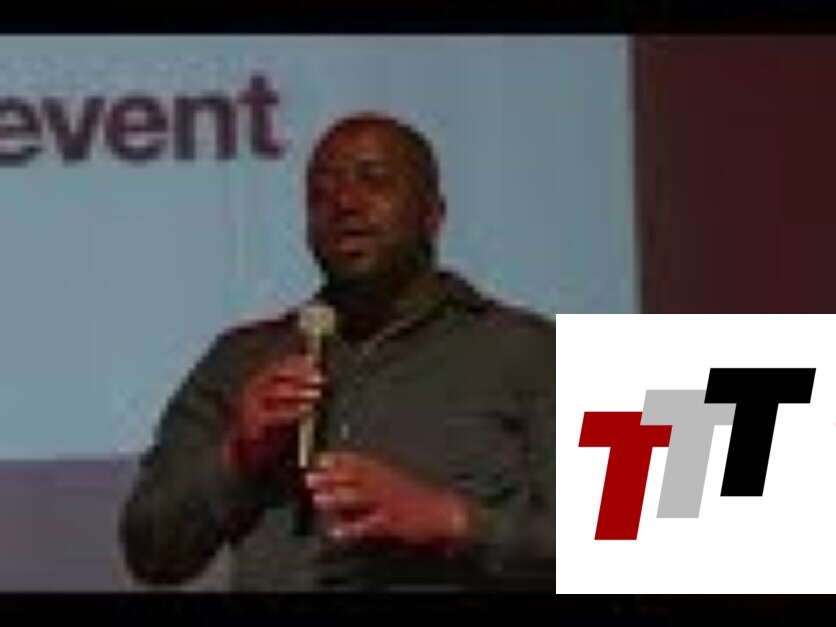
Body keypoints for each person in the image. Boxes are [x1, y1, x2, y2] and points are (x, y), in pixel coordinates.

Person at [118, 111, 555, 591]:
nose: (344, 202)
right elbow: (149, 551)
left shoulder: (544, 350)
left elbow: (625, 555)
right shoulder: (241, 359)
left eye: (374, 180)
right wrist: (238, 455)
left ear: (434, 213)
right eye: (321, 192)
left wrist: (455, 521)